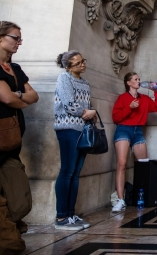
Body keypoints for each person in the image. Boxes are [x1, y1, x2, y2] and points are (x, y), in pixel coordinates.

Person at [0, 18, 38, 225]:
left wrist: (17, 96)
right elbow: (6, 98)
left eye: (20, 39)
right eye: (15, 38)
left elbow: (34, 96)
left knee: (20, 199)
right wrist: (18, 96)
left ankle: (3, 225)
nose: (19, 42)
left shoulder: (14, 67)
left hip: (12, 138)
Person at [111, 72, 157, 211]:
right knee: (121, 164)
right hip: (123, 129)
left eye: (139, 79)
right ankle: (120, 199)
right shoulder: (122, 98)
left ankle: (156, 191)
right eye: (135, 79)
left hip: (138, 131)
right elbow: (116, 118)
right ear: (129, 83)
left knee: (144, 165)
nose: (139, 81)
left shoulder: (144, 99)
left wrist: (156, 92)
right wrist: (130, 108)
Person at [53, 51, 94, 230]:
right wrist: (87, 113)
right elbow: (69, 104)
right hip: (67, 128)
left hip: (82, 129)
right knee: (67, 171)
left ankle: (70, 214)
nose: (82, 65)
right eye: (78, 63)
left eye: (83, 61)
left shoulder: (85, 83)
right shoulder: (64, 78)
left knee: (76, 173)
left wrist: (88, 112)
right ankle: (61, 217)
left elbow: (86, 105)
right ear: (68, 66)